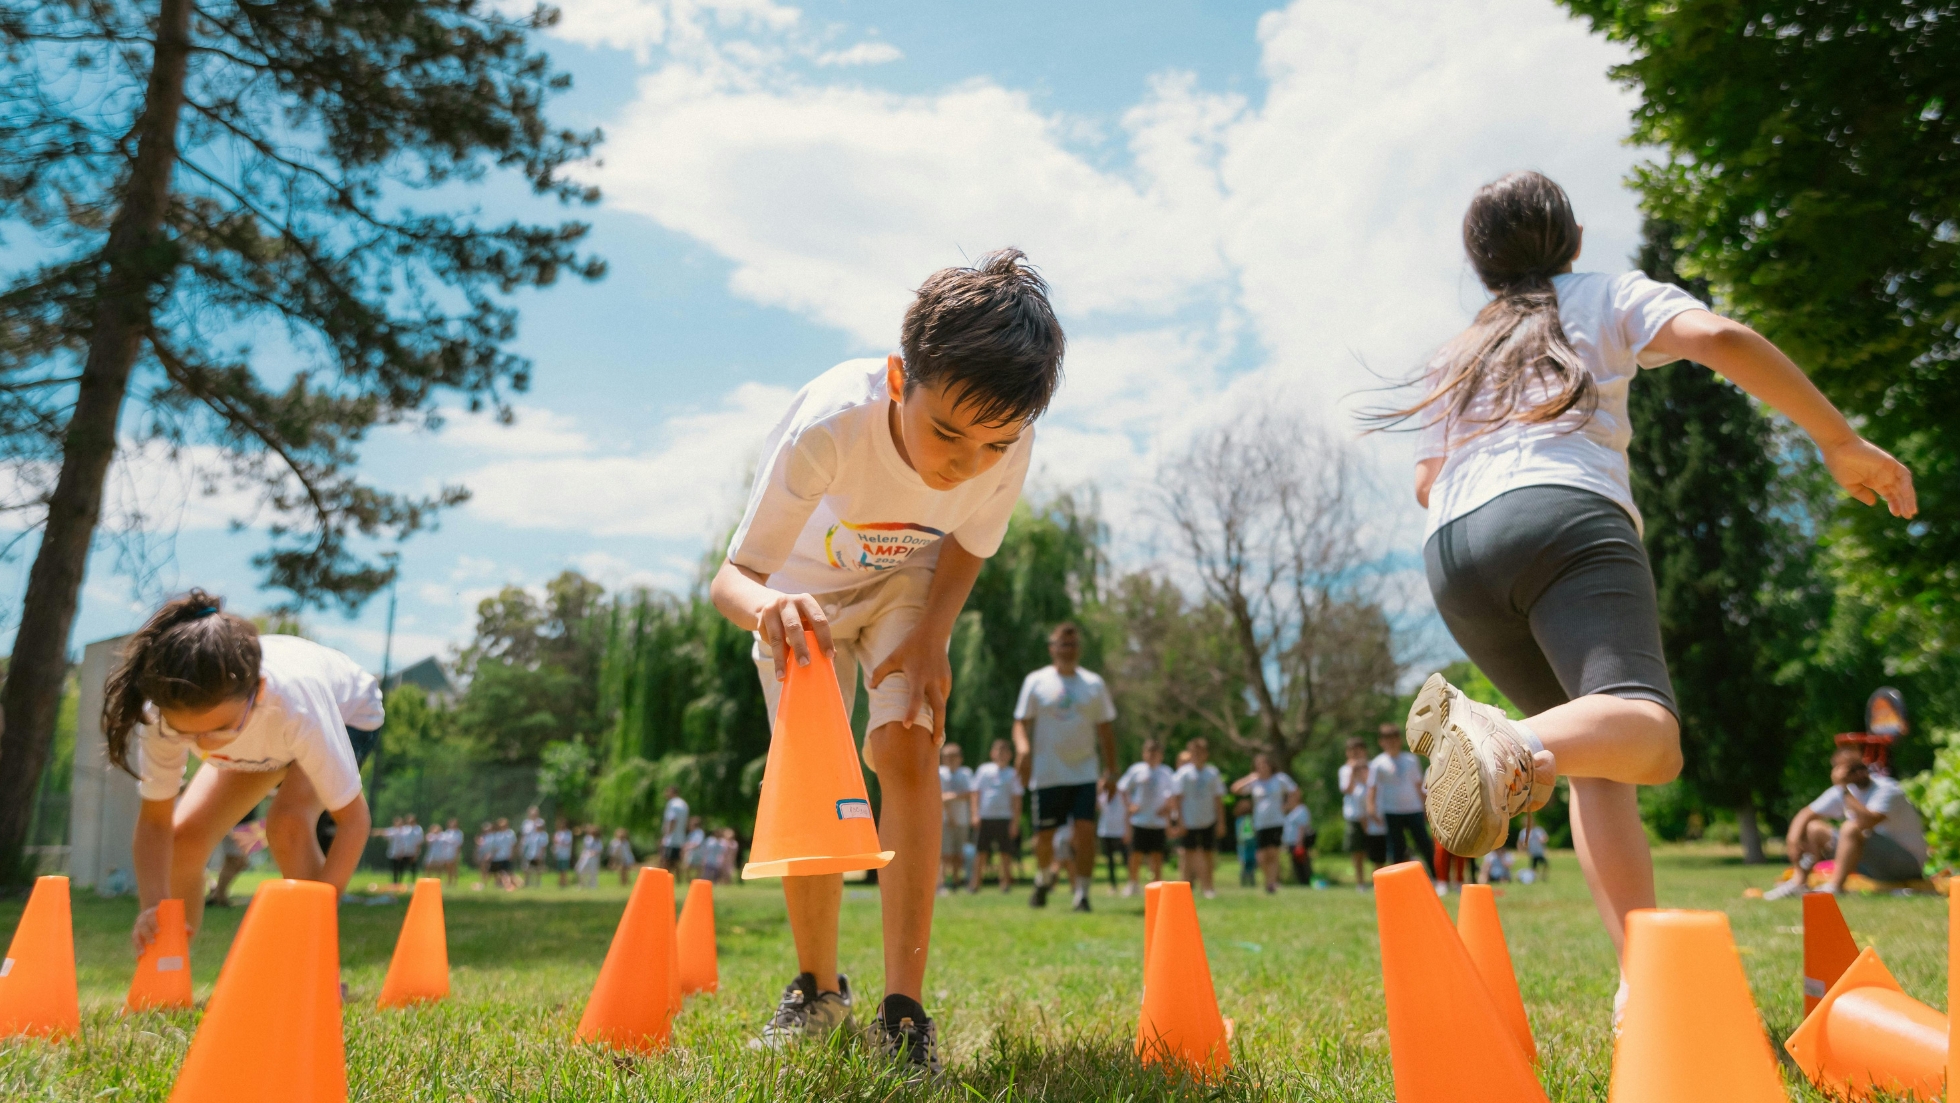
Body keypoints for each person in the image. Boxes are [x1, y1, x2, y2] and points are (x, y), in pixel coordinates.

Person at [1380, 171, 1913, 1022]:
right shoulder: (1604, 293)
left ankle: (1647, 980)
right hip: (1559, 515)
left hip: (1452, 552)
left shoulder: (1464, 349)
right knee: (1650, 734)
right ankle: (1505, 743)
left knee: (1598, 760)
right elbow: (1723, 336)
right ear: (1577, 238)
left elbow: (1423, 482)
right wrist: (1838, 440)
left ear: (1482, 267)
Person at [708, 249, 1062, 1075]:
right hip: (801, 600)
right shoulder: (830, 425)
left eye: (993, 442)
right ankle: (816, 986)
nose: (965, 462)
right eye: (946, 433)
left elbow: (971, 541)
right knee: (816, 772)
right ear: (901, 379)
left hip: (908, 582)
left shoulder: (1006, 446)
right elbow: (733, 579)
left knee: (907, 741)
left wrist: (934, 636)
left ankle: (904, 1010)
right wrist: (773, 612)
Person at [115, 590, 381, 955]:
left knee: (287, 824)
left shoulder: (296, 707)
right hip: (261, 734)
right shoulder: (162, 715)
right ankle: (170, 971)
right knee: (185, 839)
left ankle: (317, 972)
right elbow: (156, 823)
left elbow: (353, 821)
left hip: (348, 710)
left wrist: (322, 907)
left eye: (217, 729)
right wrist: (153, 905)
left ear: (258, 691)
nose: (207, 747)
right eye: (187, 734)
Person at [1014, 623, 1121, 913]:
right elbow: (1020, 722)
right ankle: (1043, 877)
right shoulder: (1036, 681)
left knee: (1085, 832)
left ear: (1079, 649)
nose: (1067, 650)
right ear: (1052, 648)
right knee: (1044, 839)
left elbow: (1106, 731)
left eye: (1072, 645)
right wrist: (1023, 749)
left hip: (1084, 772)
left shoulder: (1093, 684)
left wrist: (1111, 772)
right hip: (1048, 773)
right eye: (1062, 644)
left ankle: (1082, 894)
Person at [1768, 749, 1929, 898]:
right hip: (1872, 865)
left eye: (1860, 768)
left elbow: (1867, 821)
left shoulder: (1887, 789)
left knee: (1851, 827)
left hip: (1906, 865)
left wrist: (1844, 789)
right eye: (1851, 770)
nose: (1858, 773)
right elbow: (1806, 814)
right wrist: (1793, 840)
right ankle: (1799, 883)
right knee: (1813, 828)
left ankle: (1835, 887)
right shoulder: (1844, 790)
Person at [1368, 724, 1434, 878]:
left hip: (1413, 809)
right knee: (1396, 848)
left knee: (1425, 844)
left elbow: (1419, 785)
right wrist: (1371, 808)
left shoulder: (1410, 759)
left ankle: (1437, 878)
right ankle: (1398, 880)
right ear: (1381, 742)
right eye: (1387, 739)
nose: (1391, 743)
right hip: (1392, 810)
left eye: (1394, 739)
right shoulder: (1378, 763)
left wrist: (1427, 807)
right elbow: (1372, 788)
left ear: (1399, 740)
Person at [1232, 752, 1300, 895]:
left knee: (1273, 853)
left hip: (1276, 821)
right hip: (1260, 823)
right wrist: (1250, 778)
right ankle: (1267, 880)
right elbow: (1235, 789)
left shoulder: (1280, 779)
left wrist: (1288, 806)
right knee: (1262, 855)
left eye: (1265, 764)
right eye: (1258, 765)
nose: (1262, 768)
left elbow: (1295, 791)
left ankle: (1272, 883)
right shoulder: (1254, 782)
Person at [1118, 739, 1176, 895]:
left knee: (1157, 855)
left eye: (1155, 752)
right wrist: (1129, 805)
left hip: (1158, 822)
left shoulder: (1166, 772)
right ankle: (1133, 884)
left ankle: (1157, 886)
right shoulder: (1136, 770)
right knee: (1135, 854)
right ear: (1144, 754)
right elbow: (1122, 788)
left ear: (1161, 755)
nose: (1152, 755)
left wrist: (1167, 807)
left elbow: (1174, 793)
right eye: (1149, 752)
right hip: (1140, 820)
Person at [1173, 737, 1227, 899]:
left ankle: (1208, 887)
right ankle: (1184, 889)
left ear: (1206, 754)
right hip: (1188, 821)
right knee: (1187, 855)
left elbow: (1218, 800)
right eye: (1193, 752)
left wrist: (1221, 822)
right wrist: (1180, 821)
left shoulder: (1212, 773)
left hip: (1208, 820)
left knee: (1208, 855)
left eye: (1200, 752)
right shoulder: (1183, 774)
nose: (1197, 755)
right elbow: (1177, 799)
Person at [970, 739, 1023, 893]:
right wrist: (975, 814)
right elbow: (975, 793)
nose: (1001, 755)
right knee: (981, 852)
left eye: (1004, 751)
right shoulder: (983, 770)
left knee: (1005, 852)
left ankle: (1006, 883)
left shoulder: (1013, 774)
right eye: (998, 751)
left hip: (1005, 817)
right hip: (985, 816)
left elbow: (1017, 799)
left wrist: (1015, 822)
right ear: (992, 754)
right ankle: (975, 884)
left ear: (1010, 755)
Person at [1338, 737, 1385, 890]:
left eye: (1359, 750)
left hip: (1373, 815)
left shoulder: (1373, 767)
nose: (1356, 754)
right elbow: (1347, 789)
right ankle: (1360, 883)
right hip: (1354, 815)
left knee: (1376, 850)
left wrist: (1363, 772)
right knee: (1357, 851)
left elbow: (1373, 786)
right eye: (1352, 750)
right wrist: (1352, 771)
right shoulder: (1344, 770)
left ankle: (1378, 882)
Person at [938, 743, 976, 895]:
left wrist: (951, 796)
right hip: (944, 820)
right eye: (946, 756)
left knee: (958, 854)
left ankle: (955, 882)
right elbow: (938, 796)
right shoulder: (939, 773)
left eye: (953, 756)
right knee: (944, 854)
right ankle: (941, 884)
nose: (949, 759)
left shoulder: (965, 773)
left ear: (960, 758)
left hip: (962, 819)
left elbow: (970, 793)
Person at [207, 809, 265, 907]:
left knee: (237, 862)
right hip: (236, 824)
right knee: (236, 861)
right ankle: (219, 895)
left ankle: (218, 894)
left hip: (246, 824)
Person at [1095, 781, 1129, 895]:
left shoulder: (1121, 794)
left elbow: (1127, 811)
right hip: (1105, 832)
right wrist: (1099, 790)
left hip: (1120, 832)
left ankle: (1130, 882)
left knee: (1126, 859)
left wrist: (1127, 830)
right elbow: (1096, 807)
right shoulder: (1103, 796)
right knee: (1109, 861)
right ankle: (1113, 885)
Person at [1282, 795, 1315, 887]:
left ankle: (1306, 882)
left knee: (1302, 863)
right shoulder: (1293, 811)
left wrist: (1299, 843)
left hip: (1298, 842)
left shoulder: (1301, 809)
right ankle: (1301, 882)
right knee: (1296, 864)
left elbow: (1302, 827)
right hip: (1292, 842)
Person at [659, 787, 690, 874]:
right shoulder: (684, 804)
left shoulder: (672, 804)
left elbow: (672, 820)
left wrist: (666, 834)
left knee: (666, 859)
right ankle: (678, 879)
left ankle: (664, 877)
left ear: (672, 792)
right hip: (680, 837)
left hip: (671, 838)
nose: (665, 794)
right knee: (676, 861)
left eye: (667, 792)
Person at [391, 814, 425, 885]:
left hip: (413, 851)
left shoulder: (418, 829)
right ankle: (399, 881)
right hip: (405, 852)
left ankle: (412, 881)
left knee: (413, 868)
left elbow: (419, 841)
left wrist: (416, 853)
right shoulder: (405, 829)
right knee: (401, 867)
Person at [487, 817, 518, 890]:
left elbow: (513, 845)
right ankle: (500, 884)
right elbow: (495, 846)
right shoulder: (497, 835)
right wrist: (491, 854)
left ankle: (510, 885)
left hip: (506, 855)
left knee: (506, 872)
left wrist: (512, 854)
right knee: (496, 871)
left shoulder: (510, 833)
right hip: (498, 856)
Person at [576, 825, 603, 889]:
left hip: (594, 858)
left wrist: (594, 853)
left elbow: (600, 849)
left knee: (593, 872)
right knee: (580, 870)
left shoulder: (598, 840)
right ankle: (581, 884)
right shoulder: (587, 838)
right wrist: (582, 856)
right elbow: (584, 848)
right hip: (585, 856)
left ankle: (593, 885)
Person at [552, 817, 575, 889]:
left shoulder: (568, 833)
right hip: (559, 853)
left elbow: (568, 842)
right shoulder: (558, 833)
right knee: (560, 869)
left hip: (565, 853)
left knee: (564, 869)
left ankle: (565, 882)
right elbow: (555, 842)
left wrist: (560, 842)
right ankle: (560, 882)